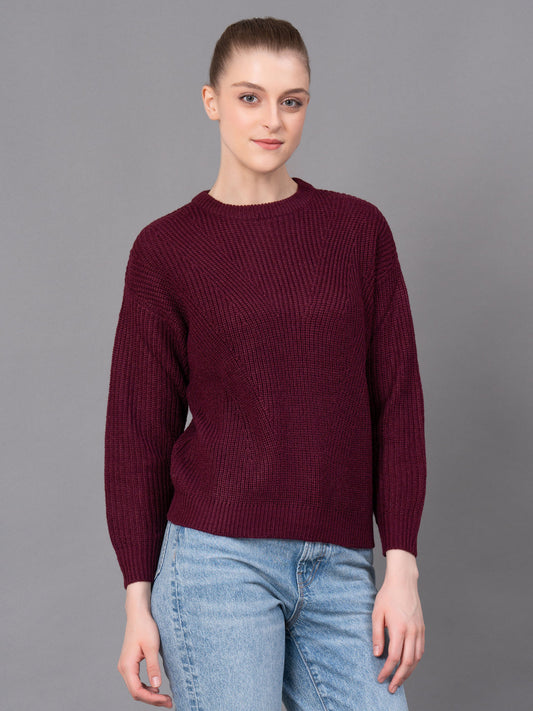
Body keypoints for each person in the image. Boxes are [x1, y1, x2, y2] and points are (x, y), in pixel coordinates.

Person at [104, 16, 427, 711]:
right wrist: (136, 599)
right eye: (249, 97)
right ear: (211, 101)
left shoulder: (357, 231)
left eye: (291, 100)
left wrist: (400, 564)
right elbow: (137, 433)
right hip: (214, 564)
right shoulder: (166, 250)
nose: (272, 120)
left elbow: (397, 401)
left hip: (340, 564)